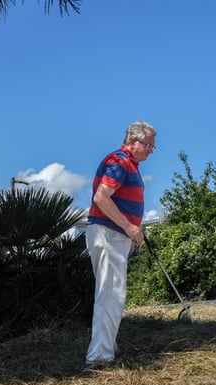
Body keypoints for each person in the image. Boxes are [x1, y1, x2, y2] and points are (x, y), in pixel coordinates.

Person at [85, 120, 157, 366]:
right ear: (134, 142)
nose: (150, 150)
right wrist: (128, 227)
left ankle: (106, 347)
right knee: (111, 294)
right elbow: (102, 197)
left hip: (115, 235)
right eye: (148, 145)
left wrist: (130, 234)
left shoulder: (130, 164)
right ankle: (100, 356)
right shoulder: (119, 161)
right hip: (109, 233)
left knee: (112, 293)